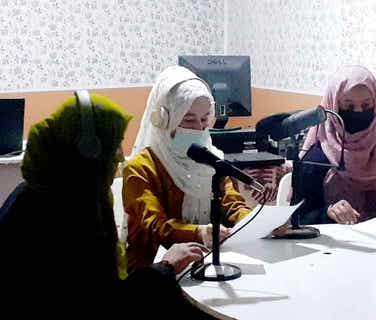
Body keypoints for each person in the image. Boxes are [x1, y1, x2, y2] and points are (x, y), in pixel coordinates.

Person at [0, 92, 211, 318]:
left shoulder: (72, 190)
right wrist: (166, 266)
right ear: (86, 149)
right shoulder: (50, 209)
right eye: (114, 144)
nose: (121, 156)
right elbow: (106, 301)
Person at [124, 66, 251, 271]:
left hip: (205, 263)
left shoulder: (212, 160)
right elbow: (155, 226)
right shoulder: (140, 168)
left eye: (204, 119)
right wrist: (199, 233)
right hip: (156, 274)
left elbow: (231, 204)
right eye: (188, 119)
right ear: (165, 120)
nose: (199, 128)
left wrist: (256, 223)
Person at [293, 65, 376, 225]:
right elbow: (298, 219)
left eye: (366, 105)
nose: (358, 112)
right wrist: (328, 212)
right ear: (332, 106)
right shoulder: (315, 160)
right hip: (335, 248)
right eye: (348, 106)